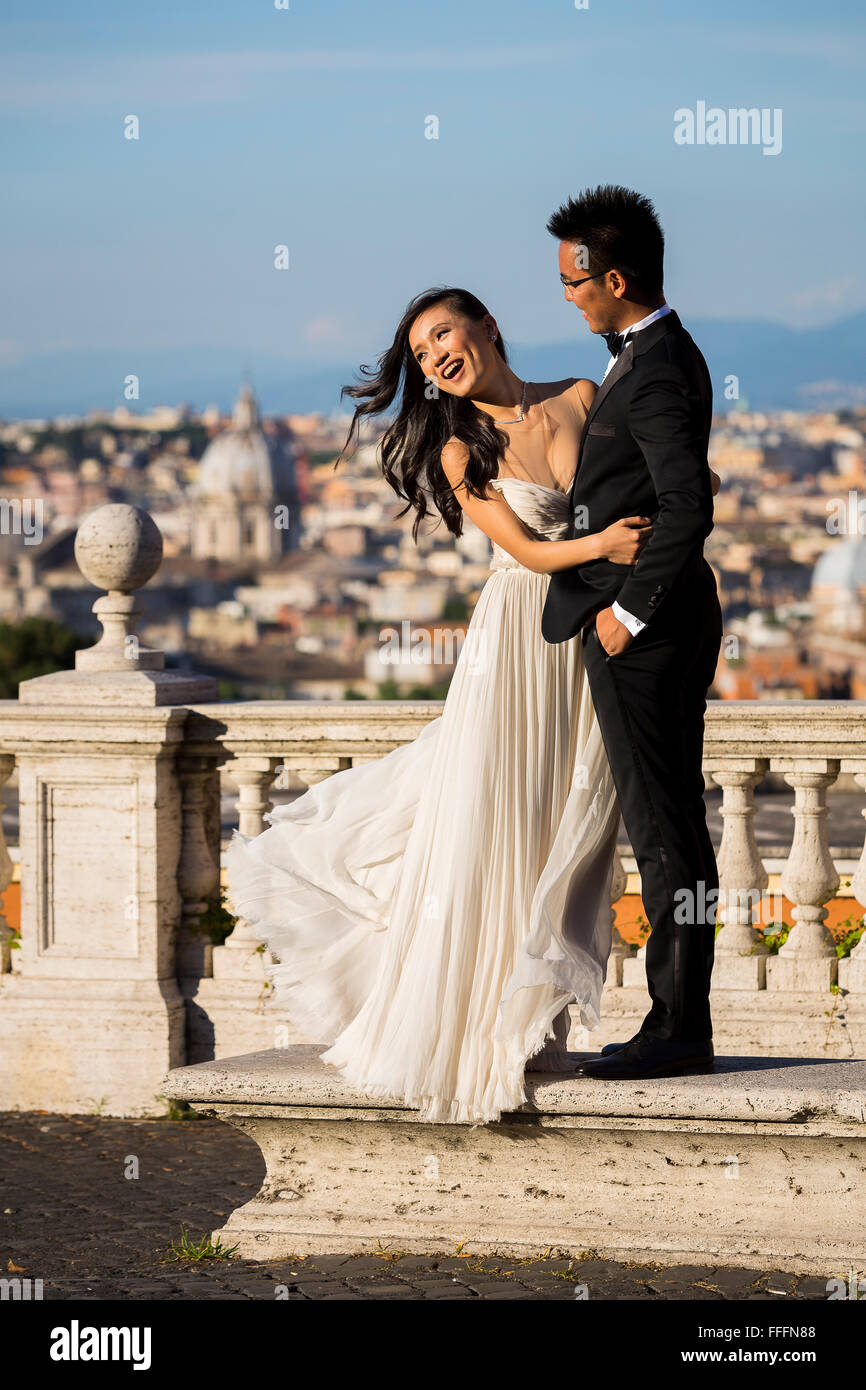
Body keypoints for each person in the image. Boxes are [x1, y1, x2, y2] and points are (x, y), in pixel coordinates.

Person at [224, 285, 664, 1125]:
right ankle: (489, 1032)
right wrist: (605, 543)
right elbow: (530, 551)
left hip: (585, 642)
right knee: (495, 820)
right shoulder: (463, 449)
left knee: (563, 821)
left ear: (487, 328)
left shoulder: (582, 395)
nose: (435, 360)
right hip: (516, 635)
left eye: (443, 338)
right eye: (422, 356)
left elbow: (645, 468)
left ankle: (535, 1017)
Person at [541, 185, 724, 1080]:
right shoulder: (664, 355)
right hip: (673, 610)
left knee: (662, 830)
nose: (567, 295)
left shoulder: (652, 367)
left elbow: (689, 501)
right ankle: (680, 1018)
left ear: (614, 278)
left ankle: (677, 1028)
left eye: (574, 280)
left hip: (643, 624)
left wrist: (626, 611)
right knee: (674, 822)